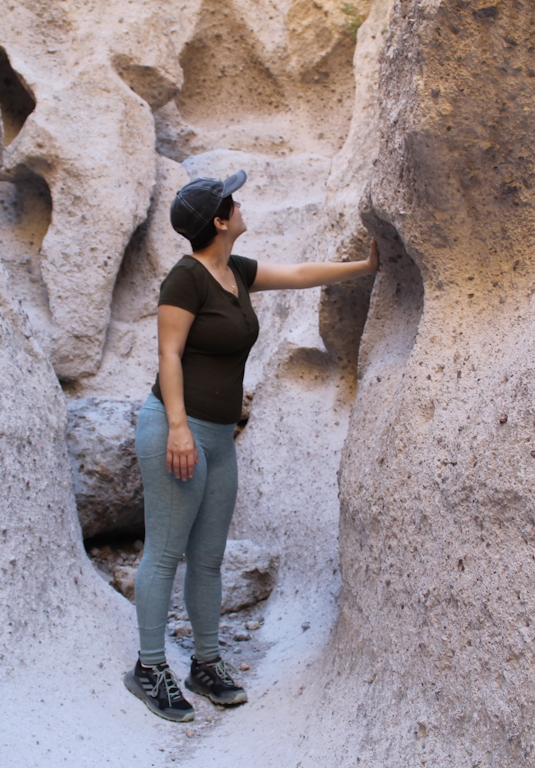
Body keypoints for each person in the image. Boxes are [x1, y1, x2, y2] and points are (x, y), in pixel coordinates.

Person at [124, 169, 380, 722]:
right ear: (218, 221)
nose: (240, 205)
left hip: (217, 436)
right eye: (231, 202)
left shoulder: (234, 271)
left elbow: (298, 272)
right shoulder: (184, 280)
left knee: (209, 558)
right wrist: (176, 427)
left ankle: (206, 662)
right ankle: (148, 668)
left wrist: (364, 267)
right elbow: (168, 355)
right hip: (177, 430)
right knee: (167, 553)